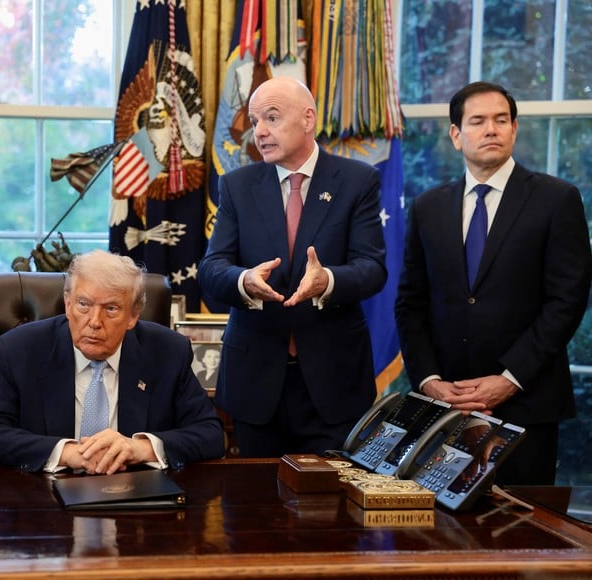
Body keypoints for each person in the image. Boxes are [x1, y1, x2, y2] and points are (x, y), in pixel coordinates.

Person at [394, 81, 592, 486]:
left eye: (501, 120)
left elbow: (566, 301)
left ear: (514, 129)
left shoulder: (557, 199)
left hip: (526, 404)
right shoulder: (428, 207)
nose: (491, 130)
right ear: (456, 134)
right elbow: (410, 302)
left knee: (520, 536)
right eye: (478, 121)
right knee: (443, 537)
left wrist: (509, 379)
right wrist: (429, 379)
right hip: (445, 407)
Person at [198, 77, 387, 457]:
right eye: (254, 122)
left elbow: (372, 268)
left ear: (307, 119)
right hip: (256, 380)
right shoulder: (237, 185)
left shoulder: (356, 180)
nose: (260, 132)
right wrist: (244, 280)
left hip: (332, 381)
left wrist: (329, 281)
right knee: (254, 509)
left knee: (329, 509)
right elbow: (212, 268)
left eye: (271, 117)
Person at [0, 249, 225, 473]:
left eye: (111, 308)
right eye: (84, 304)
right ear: (67, 304)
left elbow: (211, 434)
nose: (94, 322)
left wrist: (140, 448)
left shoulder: (168, 352)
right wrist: (64, 452)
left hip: (138, 501)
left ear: (133, 316)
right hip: (44, 501)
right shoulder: (20, 350)